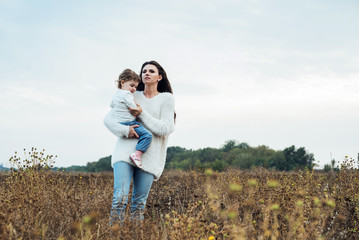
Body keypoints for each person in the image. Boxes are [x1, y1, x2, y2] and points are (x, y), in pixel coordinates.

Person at [104, 60, 175, 224]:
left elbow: (166, 128)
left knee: (138, 205)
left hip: (150, 158)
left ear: (159, 77)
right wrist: (125, 131)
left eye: (151, 71)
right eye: (144, 71)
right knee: (119, 199)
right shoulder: (130, 94)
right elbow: (108, 120)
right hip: (124, 152)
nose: (146, 73)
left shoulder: (166, 99)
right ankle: (114, 235)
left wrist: (141, 113)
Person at [110, 69, 153, 168]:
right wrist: (137, 107)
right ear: (122, 82)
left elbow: (111, 105)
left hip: (120, 123)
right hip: (129, 122)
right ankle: (137, 154)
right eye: (132, 85)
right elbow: (133, 106)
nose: (134, 89)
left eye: (135, 87)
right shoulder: (127, 94)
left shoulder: (116, 94)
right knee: (147, 135)